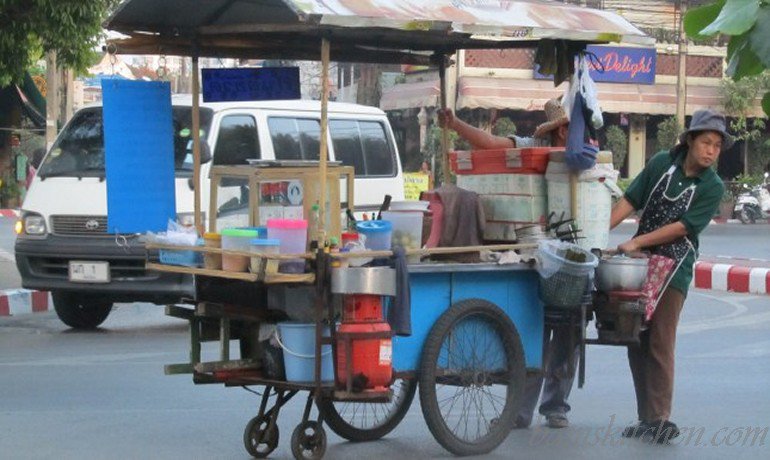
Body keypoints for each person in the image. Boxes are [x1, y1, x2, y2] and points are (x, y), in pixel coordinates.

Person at [439, 98, 579, 429]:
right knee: (533, 330)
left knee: (569, 332)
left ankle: (556, 404)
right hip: (535, 250)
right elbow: (491, 144)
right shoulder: (533, 146)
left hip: (575, 253)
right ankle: (519, 410)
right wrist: (456, 124)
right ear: (562, 130)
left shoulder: (588, 156)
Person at [609, 109, 732, 443]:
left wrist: (636, 240)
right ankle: (645, 417)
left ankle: (661, 417)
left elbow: (683, 228)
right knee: (635, 337)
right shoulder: (661, 163)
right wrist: (597, 228)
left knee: (660, 339)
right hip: (640, 264)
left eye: (717, 146)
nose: (711, 151)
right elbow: (630, 200)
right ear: (690, 140)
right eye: (706, 142)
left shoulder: (712, 186)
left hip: (675, 267)